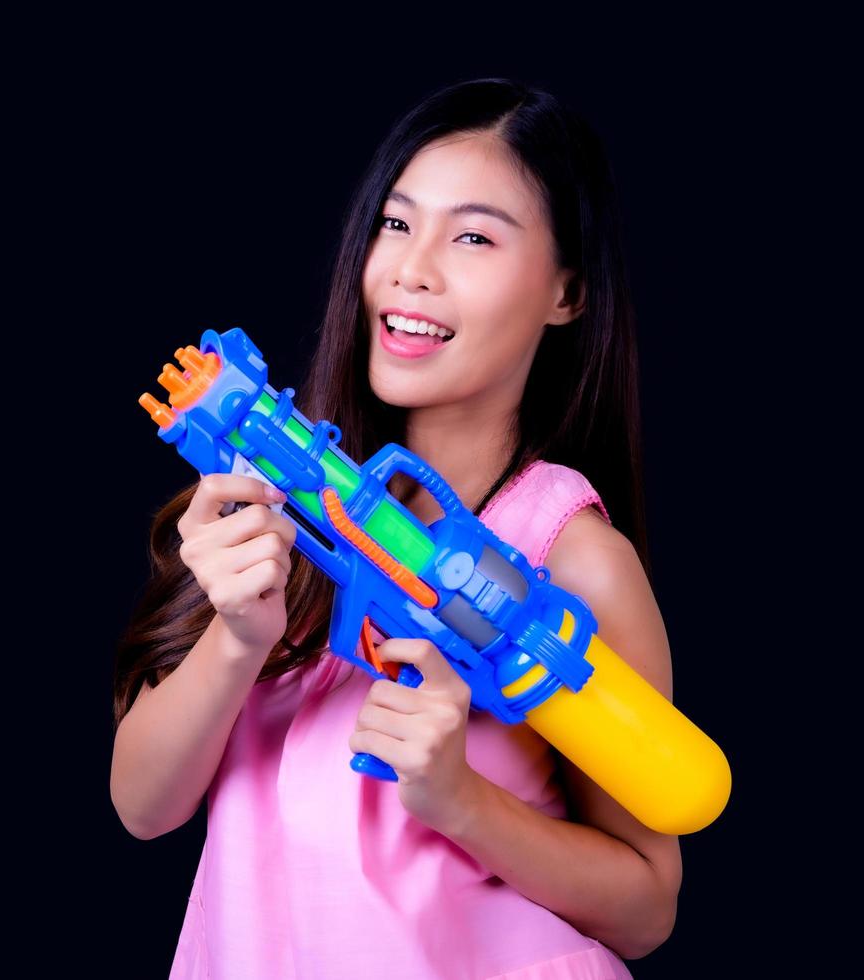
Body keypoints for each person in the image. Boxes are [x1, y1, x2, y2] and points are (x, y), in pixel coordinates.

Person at [111, 77, 681, 979]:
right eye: (395, 222)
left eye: (473, 236)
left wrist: (457, 799)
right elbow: (143, 806)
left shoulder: (571, 560)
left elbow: (647, 907)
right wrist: (237, 639)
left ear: (566, 292)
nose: (412, 269)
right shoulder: (273, 506)